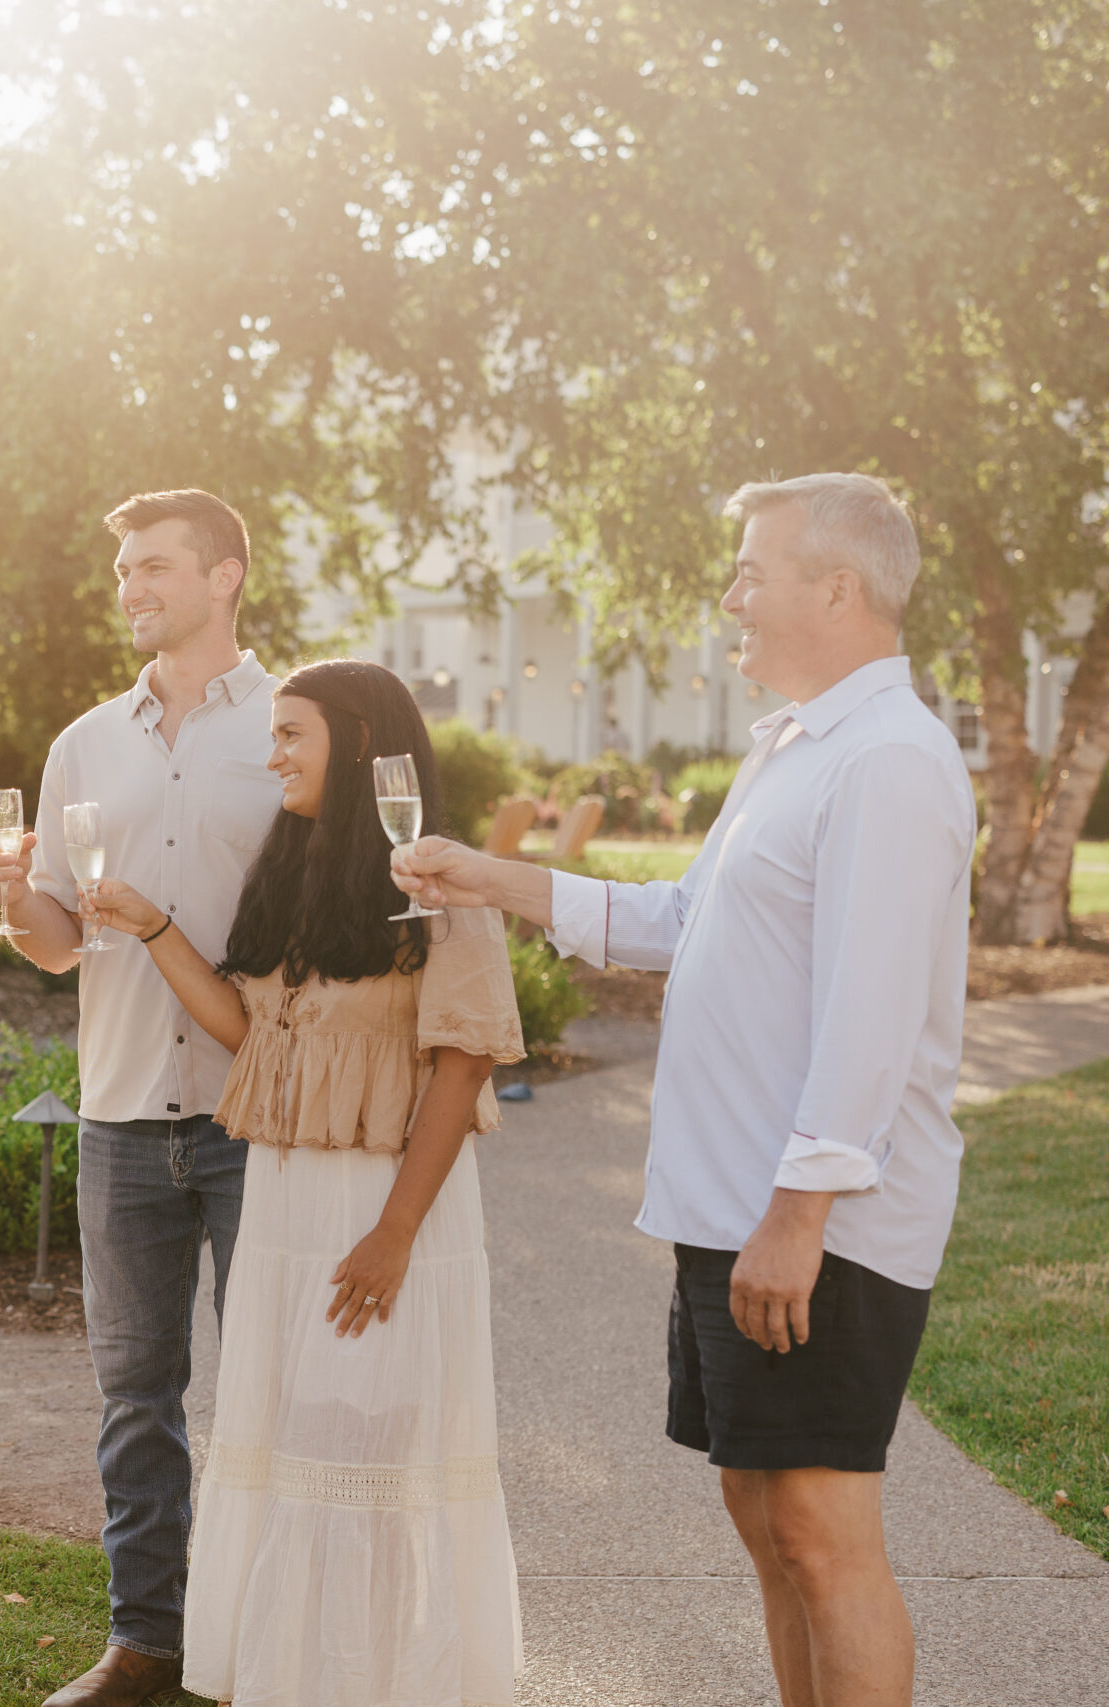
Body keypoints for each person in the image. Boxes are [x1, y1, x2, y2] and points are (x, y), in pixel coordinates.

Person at [395, 474, 970, 1707]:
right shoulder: (793, 748)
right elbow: (679, 921)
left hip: (817, 1224)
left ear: (837, 587)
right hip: (732, 1210)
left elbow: (870, 1016)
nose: (730, 598)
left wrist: (798, 1217)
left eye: (751, 572)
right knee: (764, 1524)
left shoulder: (888, 763)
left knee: (822, 1534)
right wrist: (491, 878)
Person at [87, 659, 525, 1706]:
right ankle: (293, 1678)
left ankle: (377, 1683)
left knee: (368, 1453)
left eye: (292, 735)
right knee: (290, 1449)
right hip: (283, 1198)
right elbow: (252, 1037)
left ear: (360, 744)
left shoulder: (433, 882)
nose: (272, 754)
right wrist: (152, 927)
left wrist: (393, 1233)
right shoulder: (291, 873)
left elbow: (462, 1065)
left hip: (381, 1204)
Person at [0, 489, 282, 1707]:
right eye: (122, 571)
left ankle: (261, 1641)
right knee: (134, 1401)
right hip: (119, 1112)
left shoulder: (290, 726)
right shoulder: (83, 742)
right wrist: (9, 895)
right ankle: (146, 1644)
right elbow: (54, 942)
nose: (131, 587)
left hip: (257, 1111)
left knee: (267, 1386)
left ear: (226, 577)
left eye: (154, 566)